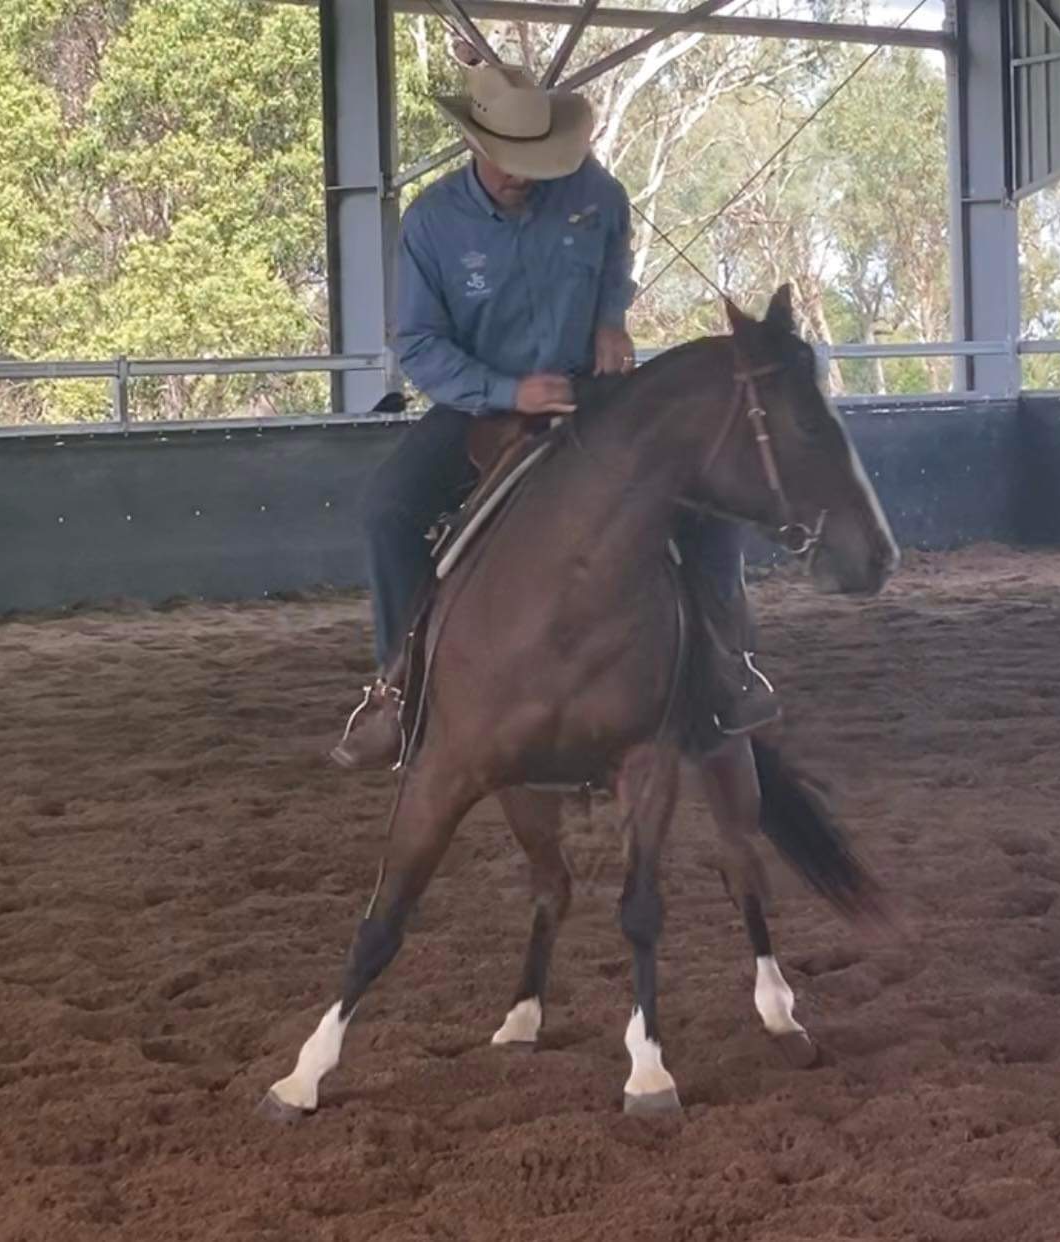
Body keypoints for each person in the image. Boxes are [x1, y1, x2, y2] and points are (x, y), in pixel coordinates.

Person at [331, 62, 777, 769]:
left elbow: (615, 257)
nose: (522, 175)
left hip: (591, 394)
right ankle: (399, 688)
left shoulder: (595, 194)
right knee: (388, 509)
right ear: (473, 143)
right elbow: (417, 343)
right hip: (479, 407)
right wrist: (509, 391)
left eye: (533, 159)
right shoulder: (432, 223)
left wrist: (610, 318)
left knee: (711, 489)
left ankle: (727, 662)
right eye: (507, 159)